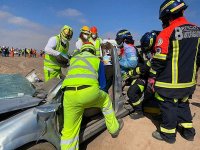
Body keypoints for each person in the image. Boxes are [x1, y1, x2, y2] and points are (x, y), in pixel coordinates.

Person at [148, 0, 200, 143]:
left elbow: (159, 60)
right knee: (183, 104)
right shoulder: (198, 30)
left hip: (169, 83)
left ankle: (168, 135)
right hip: (188, 82)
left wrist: (152, 77)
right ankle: (188, 132)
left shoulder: (167, 32)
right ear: (182, 11)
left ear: (167, 15)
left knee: (168, 105)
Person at [60, 43, 123, 150]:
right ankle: (114, 129)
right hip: (89, 92)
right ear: (94, 51)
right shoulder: (97, 60)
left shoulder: (74, 59)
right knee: (106, 101)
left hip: (69, 94)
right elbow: (103, 85)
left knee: (69, 132)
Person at [127, 30, 160, 120]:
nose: (144, 48)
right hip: (145, 78)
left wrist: (131, 73)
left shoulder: (158, 52)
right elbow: (143, 67)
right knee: (131, 92)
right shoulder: (146, 53)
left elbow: (145, 68)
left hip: (155, 80)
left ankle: (141, 111)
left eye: (145, 45)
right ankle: (139, 111)